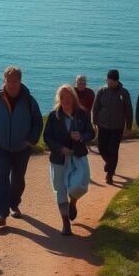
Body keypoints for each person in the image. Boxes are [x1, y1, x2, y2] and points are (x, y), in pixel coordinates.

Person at [0, 66, 43, 227]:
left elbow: (37, 122)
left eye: (14, 81)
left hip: (22, 147)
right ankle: (1, 213)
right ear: (4, 80)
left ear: (20, 81)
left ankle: (14, 203)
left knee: (17, 179)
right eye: (8, 81)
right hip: (0, 147)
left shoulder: (29, 100)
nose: (11, 84)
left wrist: (31, 140)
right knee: (1, 177)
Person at [43, 84, 95, 236]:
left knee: (80, 185)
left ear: (73, 97)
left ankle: (73, 201)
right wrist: (59, 148)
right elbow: (47, 136)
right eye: (62, 97)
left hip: (78, 156)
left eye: (68, 97)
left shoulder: (82, 113)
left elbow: (91, 133)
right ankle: (66, 224)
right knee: (60, 190)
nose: (65, 100)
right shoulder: (54, 116)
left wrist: (81, 137)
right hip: (59, 159)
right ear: (59, 99)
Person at [91, 69, 133, 184]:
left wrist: (129, 126)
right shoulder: (101, 91)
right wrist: (94, 122)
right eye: (109, 81)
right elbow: (95, 108)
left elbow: (128, 110)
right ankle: (110, 164)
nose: (110, 83)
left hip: (117, 127)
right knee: (101, 148)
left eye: (113, 81)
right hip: (103, 125)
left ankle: (109, 174)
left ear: (117, 81)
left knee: (113, 150)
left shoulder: (124, 93)